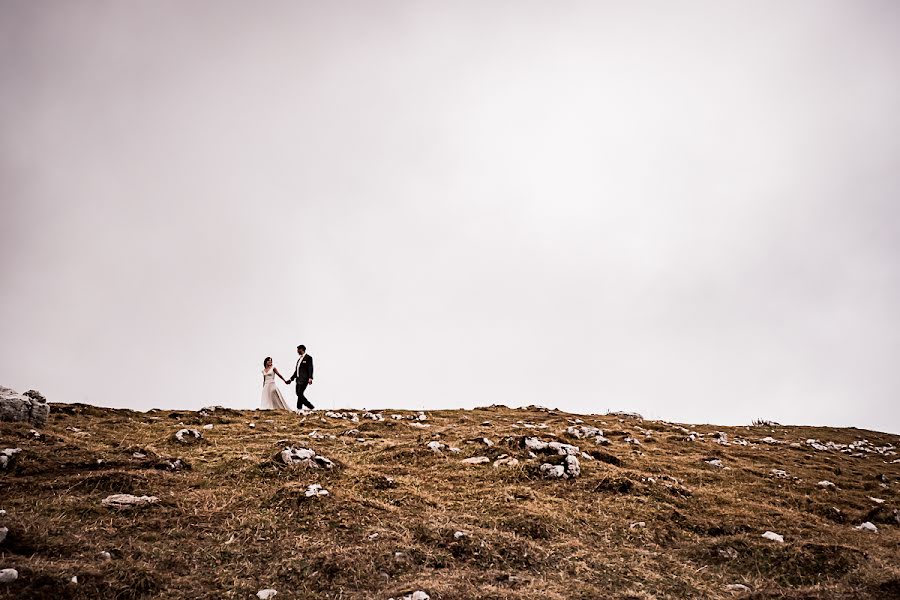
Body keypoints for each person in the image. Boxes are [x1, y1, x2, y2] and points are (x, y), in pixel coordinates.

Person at [286, 344, 314, 410]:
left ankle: (310, 406)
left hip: (305, 379)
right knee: (299, 393)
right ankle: (299, 408)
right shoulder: (299, 360)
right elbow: (296, 371)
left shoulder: (308, 357)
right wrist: (291, 379)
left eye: (298, 350)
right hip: (298, 379)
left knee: (299, 393)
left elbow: (310, 368)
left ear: (302, 349)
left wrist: (310, 378)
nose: (297, 351)